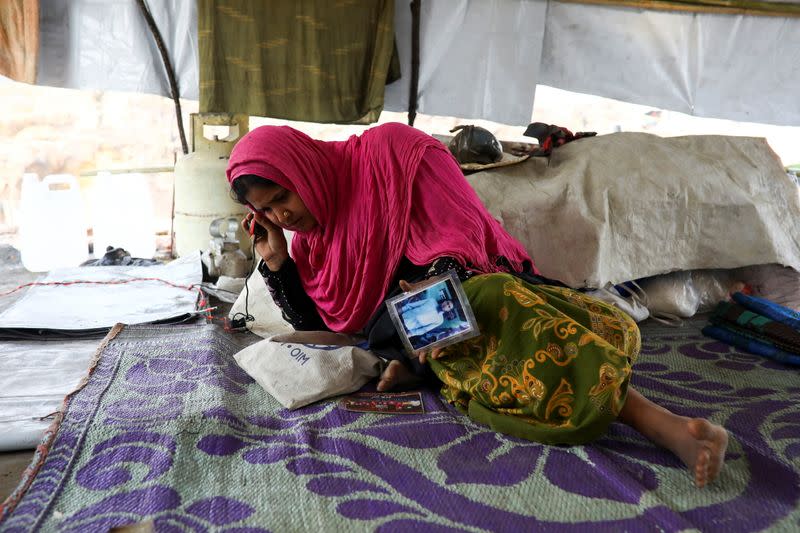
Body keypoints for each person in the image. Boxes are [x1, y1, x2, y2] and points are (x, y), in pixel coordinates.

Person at [226, 122, 728, 488]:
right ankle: (664, 426)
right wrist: (277, 263)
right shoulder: (311, 240)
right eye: (265, 210)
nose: (281, 215)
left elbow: (461, 240)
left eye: (282, 196)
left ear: (303, 167)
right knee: (457, 341)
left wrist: (420, 321)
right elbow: (325, 330)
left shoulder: (390, 152)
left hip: (470, 291)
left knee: (490, 305)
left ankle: (659, 423)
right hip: (418, 335)